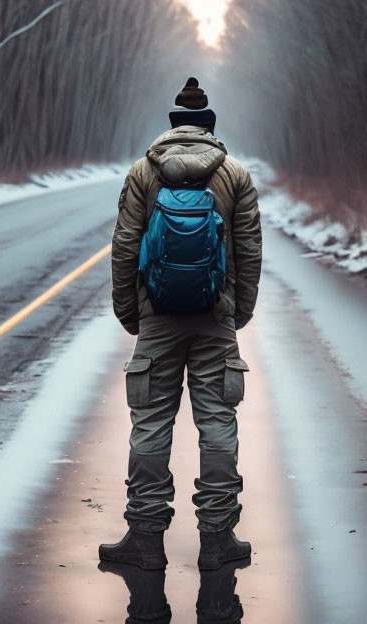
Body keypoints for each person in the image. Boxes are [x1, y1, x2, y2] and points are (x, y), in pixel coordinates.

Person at [99, 77, 262, 571]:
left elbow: (125, 246)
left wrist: (131, 311)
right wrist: (239, 311)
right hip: (216, 318)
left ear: (172, 127)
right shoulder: (235, 174)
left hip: (158, 318)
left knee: (149, 426)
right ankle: (217, 540)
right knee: (217, 425)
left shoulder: (142, 172)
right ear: (209, 129)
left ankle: (146, 541)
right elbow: (249, 252)